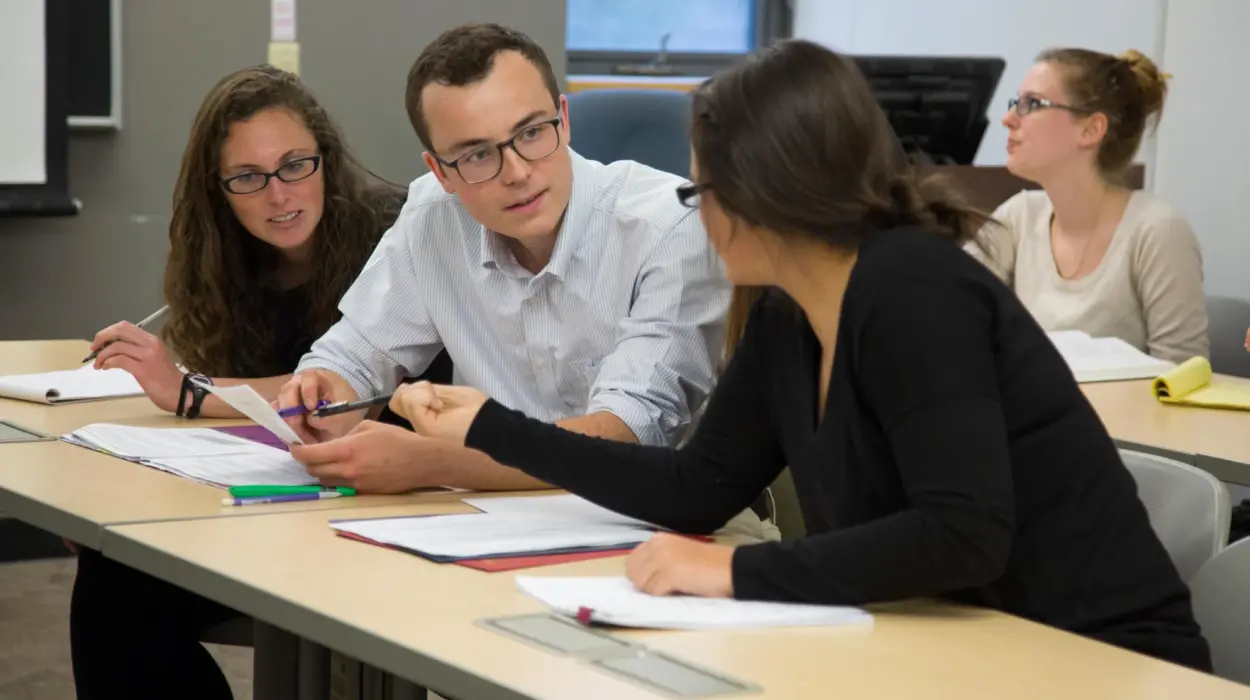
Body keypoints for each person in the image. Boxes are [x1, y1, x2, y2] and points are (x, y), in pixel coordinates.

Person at [385, 39, 1213, 672]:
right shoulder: (786, 313)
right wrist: (494, 426)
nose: (698, 218)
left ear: (768, 191)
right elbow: (695, 487)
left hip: (1096, 661)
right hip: (957, 645)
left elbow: (964, 533)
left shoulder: (913, 288)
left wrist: (736, 576)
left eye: (702, 192)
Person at [278, 22, 766, 539]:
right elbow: (354, 357)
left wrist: (435, 463)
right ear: (441, 171)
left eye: (532, 132)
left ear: (564, 119)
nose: (516, 171)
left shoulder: (669, 228)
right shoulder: (435, 216)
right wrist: (322, 397)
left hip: (659, 529)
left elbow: (627, 437)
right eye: (477, 154)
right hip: (491, 524)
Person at [71, 65, 449, 700]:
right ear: (218, 190)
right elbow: (257, 412)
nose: (278, 194)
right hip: (281, 493)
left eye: (296, 165)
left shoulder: (394, 234)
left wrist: (191, 390)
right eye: (248, 178)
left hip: (389, 497)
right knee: (114, 581)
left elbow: (356, 388)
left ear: (326, 159)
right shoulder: (228, 259)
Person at [968, 48, 1208, 364]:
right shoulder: (1018, 216)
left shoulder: (1157, 230)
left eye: (1032, 104)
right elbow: (953, 315)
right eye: (1017, 102)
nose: (1008, 119)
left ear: (1091, 129)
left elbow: (1183, 377)